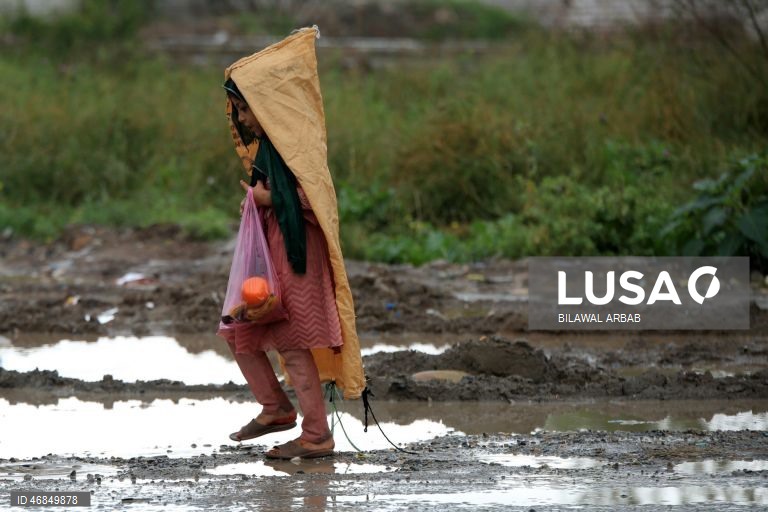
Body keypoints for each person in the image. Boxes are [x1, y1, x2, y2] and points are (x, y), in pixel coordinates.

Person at [217, 28, 365, 460]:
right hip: (269, 252)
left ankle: (316, 434)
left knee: (292, 340)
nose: (242, 119)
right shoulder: (270, 151)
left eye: (245, 109)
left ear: (268, 106)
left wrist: (269, 197)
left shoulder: (297, 150)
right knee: (239, 326)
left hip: (297, 255)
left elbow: (316, 200)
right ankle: (275, 408)